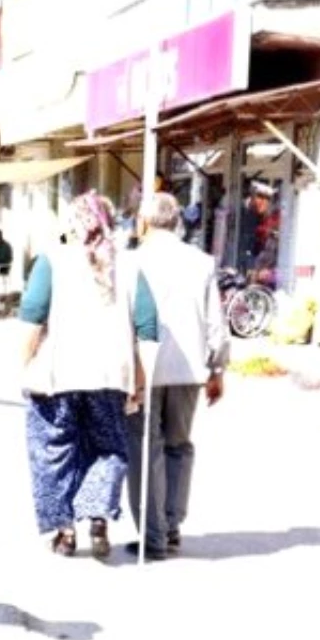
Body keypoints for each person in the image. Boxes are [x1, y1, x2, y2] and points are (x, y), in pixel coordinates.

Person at [18, 191, 158, 560]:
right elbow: (147, 329)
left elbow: (31, 319)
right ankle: (97, 517)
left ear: (72, 224)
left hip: (56, 375)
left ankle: (65, 531)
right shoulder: (129, 266)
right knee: (108, 448)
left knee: (53, 450)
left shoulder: (51, 260)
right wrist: (139, 384)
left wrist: (23, 363)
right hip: (111, 376)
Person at [123, 190, 229, 560]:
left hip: (144, 368)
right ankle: (171, 526)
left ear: (145, 221)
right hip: (188, 372)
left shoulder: (131, 261)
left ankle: (154, 535)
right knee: (178, 446)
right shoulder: (200, 262)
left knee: (144, 449)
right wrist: (217, 368)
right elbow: (216, 323)